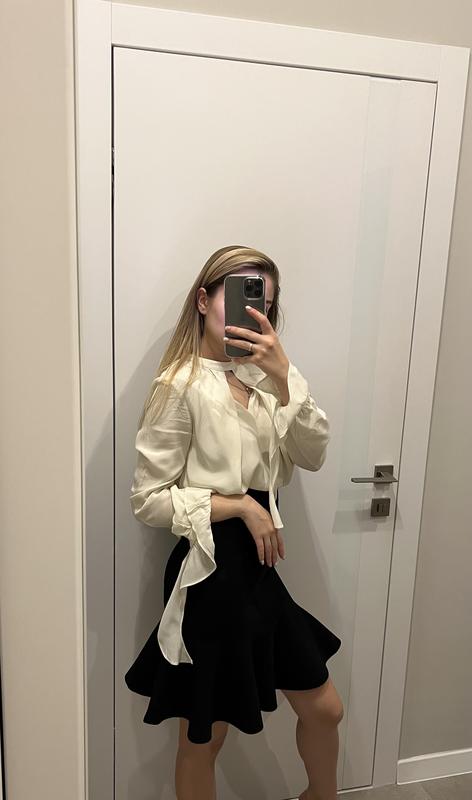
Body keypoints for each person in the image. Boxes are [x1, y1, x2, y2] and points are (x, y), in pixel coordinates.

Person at [125, 245, 343, 800]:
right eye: (239, 297)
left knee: (325, 708)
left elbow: (313, 454)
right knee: (205, 735)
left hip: (259, 571)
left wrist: (285, 375)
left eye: (262, 304)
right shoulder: (178, 385)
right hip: (208, 572)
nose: (251, 312)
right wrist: (241, 506)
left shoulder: (269, 383)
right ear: (203, 301)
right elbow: (148, 500)